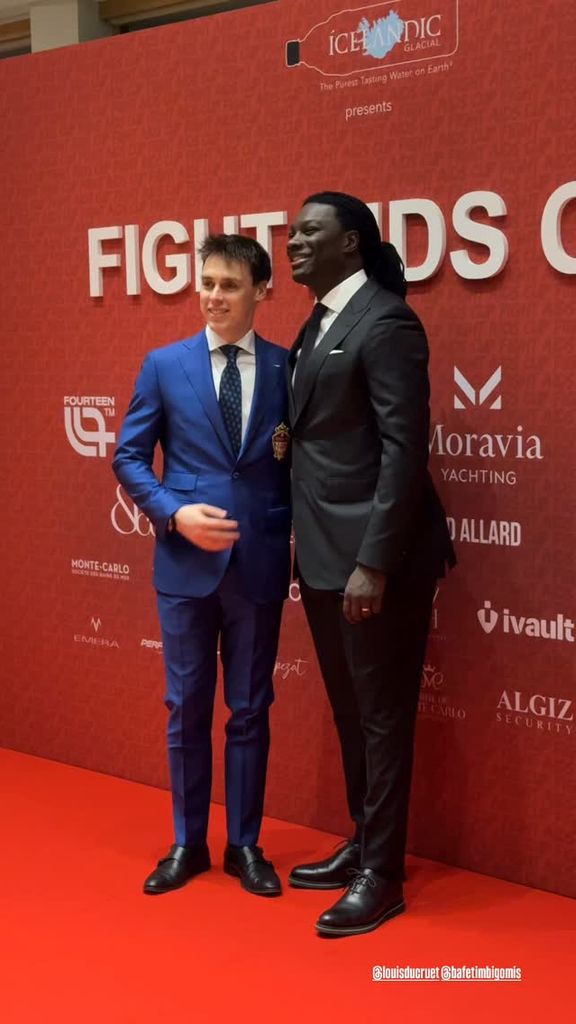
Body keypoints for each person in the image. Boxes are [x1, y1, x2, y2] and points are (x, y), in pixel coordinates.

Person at [285, 191, 455, 936]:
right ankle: (363, 843)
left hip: (375, 563)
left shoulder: (386, 321)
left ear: (349, 243)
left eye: (308, 232)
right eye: (292, 232)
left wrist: (375, 564)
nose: (292, 242)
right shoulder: (319, 321)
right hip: (322, 554)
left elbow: (404, 450)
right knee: (351, 711)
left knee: (382, 719)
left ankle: (381, 876)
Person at [113, 234, 292, 897]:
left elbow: (301, 462)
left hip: (259, 563)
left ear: (261, 291)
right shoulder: (165, 365)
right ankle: (188, 842)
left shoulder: (287, 368)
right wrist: (173, 512)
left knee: (250, 710)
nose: (214, 296)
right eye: (208, 283)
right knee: (185, 707)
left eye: (230, 285)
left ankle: (244, 844)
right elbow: (129, 457)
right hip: (185, 565)